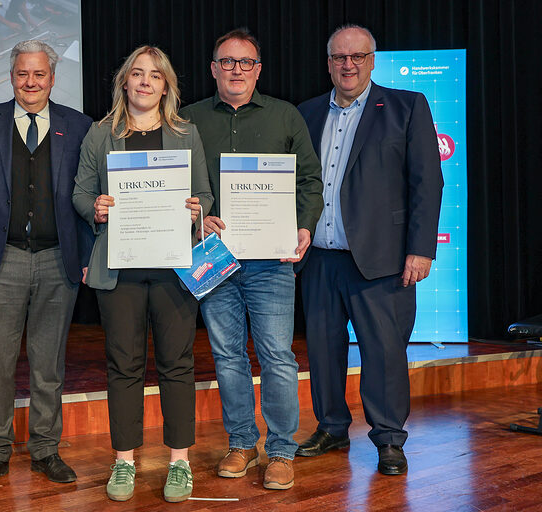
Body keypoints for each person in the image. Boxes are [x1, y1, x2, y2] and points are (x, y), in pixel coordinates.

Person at [295, 24, 443, 475]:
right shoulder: (307, 112)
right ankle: (332, 427)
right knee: (322, 350)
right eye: (340, 57)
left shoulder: (405, 106)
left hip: (382, 259)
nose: (348, 64)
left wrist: (420, 250)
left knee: (383, 354)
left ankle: (388, 439)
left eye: (357, 56)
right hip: (319, 256)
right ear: (328, 63)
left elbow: (427, 182)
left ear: (372, 60)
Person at [180, 28, 324, 491]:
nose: (236, 70)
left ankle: (281, 449)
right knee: (227, 356)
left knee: (277, 356)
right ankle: (242, 442)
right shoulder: (188, 119)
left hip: (272, 262)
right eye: (227, 62)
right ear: (213, 68)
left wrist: (304, 225)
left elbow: (309, 181)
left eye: (245, 62)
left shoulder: (286, 116)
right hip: (214, 260)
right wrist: (196, 219)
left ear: (258, 69)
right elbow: (176, 186)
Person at [0, 39, 93, 491]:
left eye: (40, 74)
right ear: (12, 77)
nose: (30, 82)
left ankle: (46, 450)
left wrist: (89, 258)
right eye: (22, 74)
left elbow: (87, 198)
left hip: (57, 262)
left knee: (49, 364)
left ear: (53, 77)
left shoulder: (80, 125)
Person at [72, 45, 213, 503]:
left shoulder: (186, 134)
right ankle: (124, 460)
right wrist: (94, 207)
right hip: (120, 270)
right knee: (124, 366)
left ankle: (179, 463)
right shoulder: (100, 134)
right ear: (124, 83)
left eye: (155, 75)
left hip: (174, 269)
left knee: (177, 365)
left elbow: (204, 194)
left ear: (166, 85)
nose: (146, 81)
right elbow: (80, 193)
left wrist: (197, 208)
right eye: (137, 74)